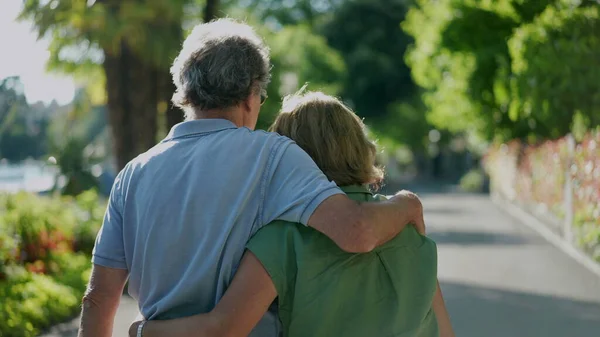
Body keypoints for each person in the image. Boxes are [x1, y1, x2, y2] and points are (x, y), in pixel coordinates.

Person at [78, 19, 426, 337]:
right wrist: (406, 204)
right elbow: (357, 231)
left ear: (186, 93)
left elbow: (98, 298)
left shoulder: (133, 174)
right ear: (250, 95)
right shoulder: (271, 155)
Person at [129, 91, 455, 337]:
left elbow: (224, 328)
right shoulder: (407, 226)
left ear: (292, 158)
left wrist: (141, 331)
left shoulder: (282, 238)